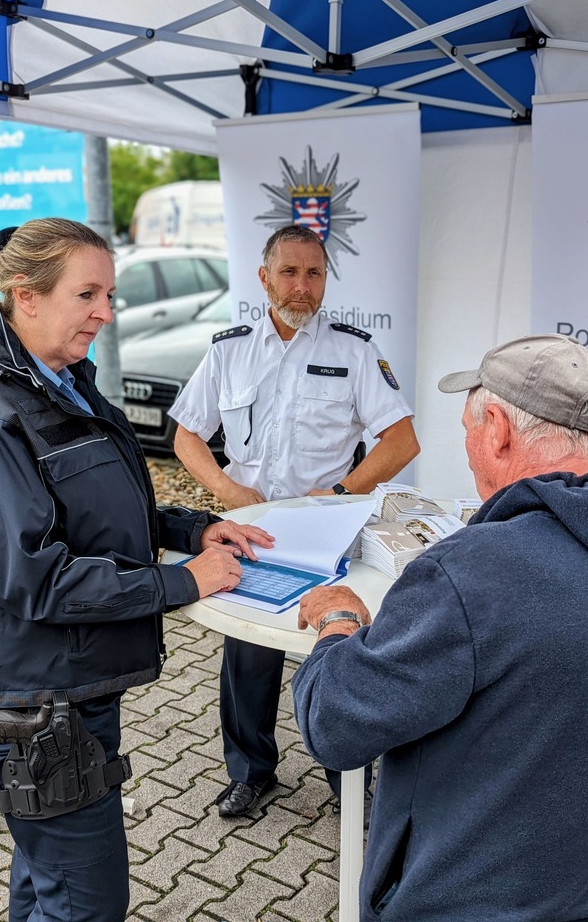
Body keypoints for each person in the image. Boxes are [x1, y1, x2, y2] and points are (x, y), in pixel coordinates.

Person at [0, 218, 273, 922]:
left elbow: (91, 505)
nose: (106, 312)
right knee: (88, 899)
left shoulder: (56, 376)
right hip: (29, 694)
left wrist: (191, 527)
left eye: (109, 293)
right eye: (87, 293)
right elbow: (36, 577)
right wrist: (185, 581)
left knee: (46, 863)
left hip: (65, 678)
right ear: (26, 296)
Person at [292, 334, 588, 922]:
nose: (467, 450)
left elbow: (335, 724)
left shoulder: (467, 574)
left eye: (466, 431)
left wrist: (339, 622)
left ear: (498, 429)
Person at [170, 224, 420, 817]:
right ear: (264, 277)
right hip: (252, 531)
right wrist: (228, 490)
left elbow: (401, 441)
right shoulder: (229, 350)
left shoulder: (353, 351)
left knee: (331, 652)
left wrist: (338, 490)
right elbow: (187, 436)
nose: (302, 287)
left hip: (328, 533)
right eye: (290, 272)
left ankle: (346, 783)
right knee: (248, 656)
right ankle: (252, 772)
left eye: (314, 274)